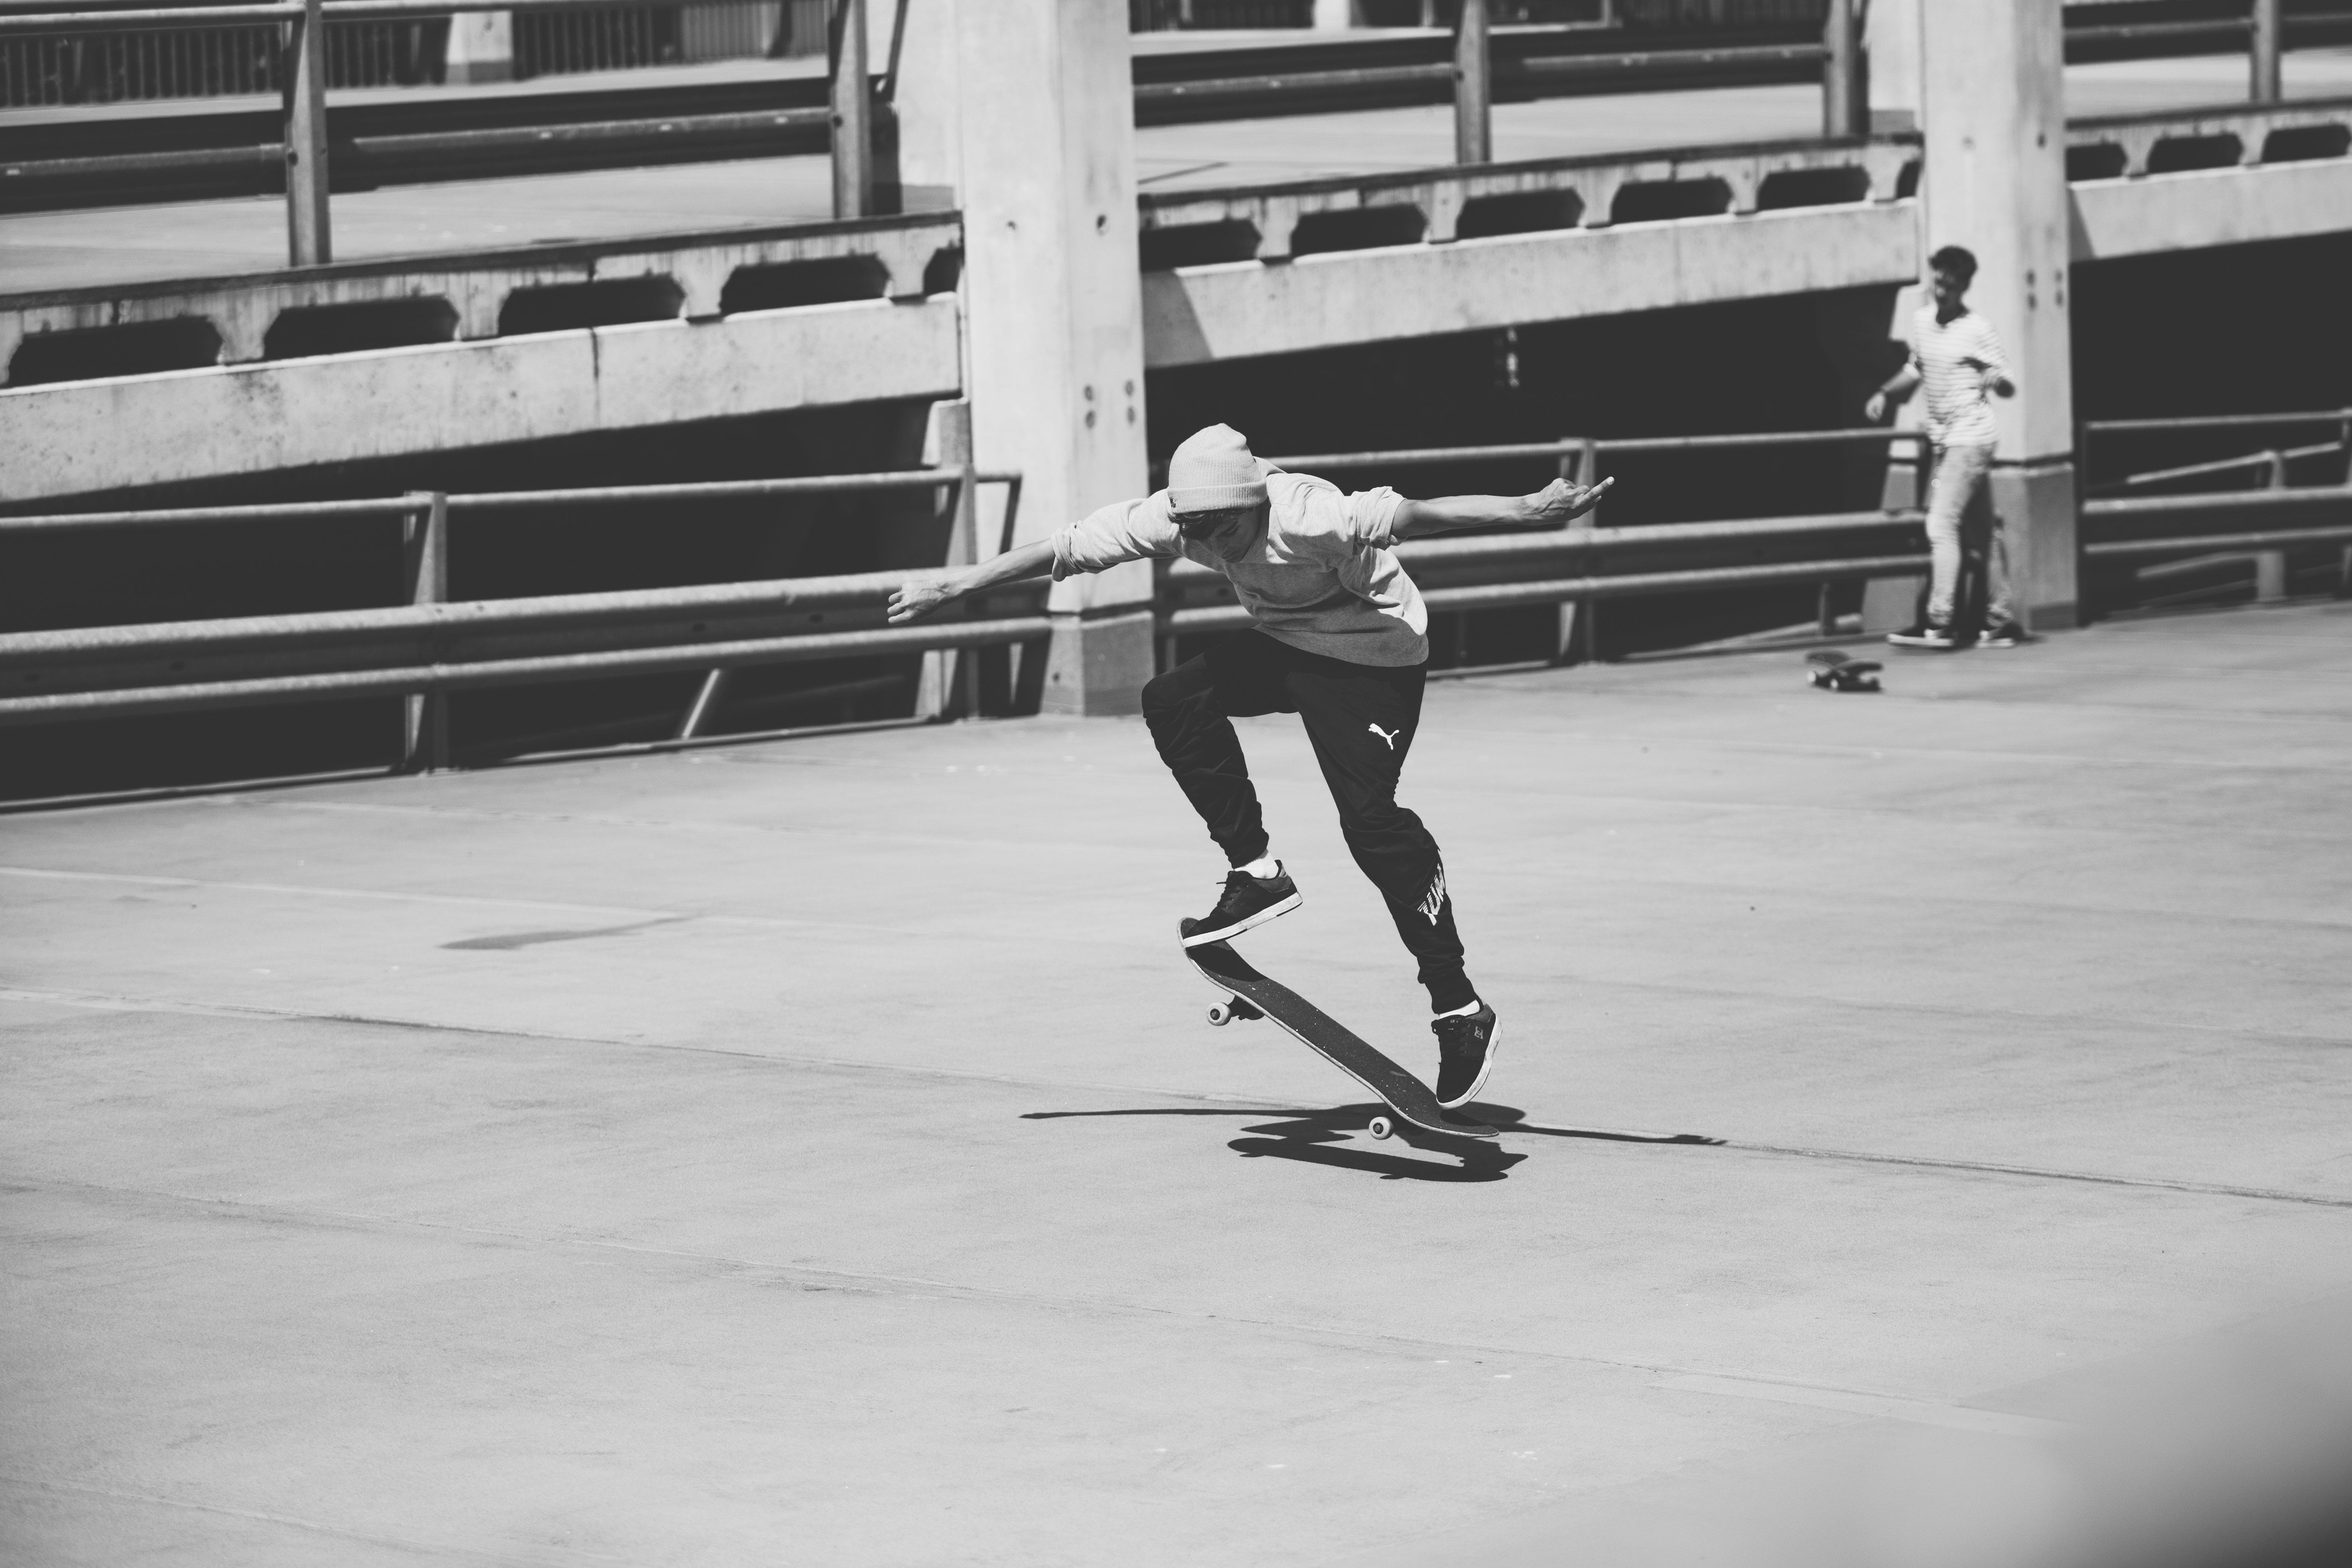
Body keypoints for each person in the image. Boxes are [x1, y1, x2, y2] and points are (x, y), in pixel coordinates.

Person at [888, 423, 1611, 1109]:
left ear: (1251, 504)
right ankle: (1256, 871)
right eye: (1196, 533)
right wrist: (951, 587)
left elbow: (1418, 513)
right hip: (1288, 644)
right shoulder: (1181, 518)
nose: (1211, 547)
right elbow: (1065, 547)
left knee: (1370, 823)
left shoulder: (1308, 513)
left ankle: (1458, 1007)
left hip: (1375, 657)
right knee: (1172, 698)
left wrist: (1525, 509)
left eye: (1222, 532)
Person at [1866, 244, 2028, 650]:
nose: (1941, 291)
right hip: (1949, 441)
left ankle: (1939, 622)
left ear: (1964, 286)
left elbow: (2006, 381)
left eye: (1951, 286)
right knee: (1983, 532)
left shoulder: (1977, 329)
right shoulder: (1922, 321)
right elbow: (1915, 368)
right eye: (1938, 282)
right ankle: (1999, 620)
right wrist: (1884, 393)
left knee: (1939, 525)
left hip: (1969, 439)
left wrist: (1995, 381)